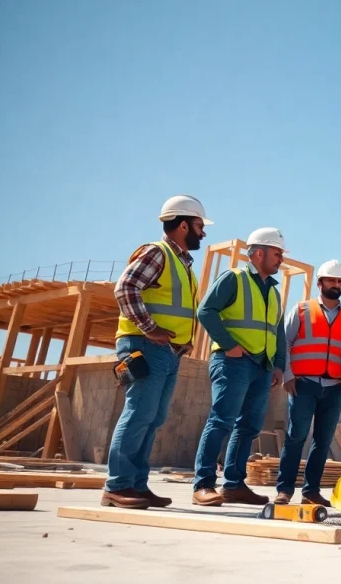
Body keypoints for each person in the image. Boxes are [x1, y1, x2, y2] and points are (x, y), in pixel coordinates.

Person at [102, 195, 211, 509]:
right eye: (199, 226)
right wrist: (149, 327)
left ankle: (136, 484)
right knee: (139, 414)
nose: (202, 233)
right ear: (181, 225)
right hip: (145, 345)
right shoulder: (158, 252)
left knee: (152, 417)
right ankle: (118, 485)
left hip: (166, 351)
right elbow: (125, 288)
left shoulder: (182, 263)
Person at [191, 227, 288, 507]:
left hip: (262, 366)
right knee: (221, 420)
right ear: (259, 253)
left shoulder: (273, 291)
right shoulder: (234, 278)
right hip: (233, 362)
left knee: (249, 427)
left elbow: (277, 330)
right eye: (277, 253)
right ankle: (204, 484)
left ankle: (234, 484)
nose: (280, 258)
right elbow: (206, 311)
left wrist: (278, 364)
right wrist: (229, 344)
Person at [273, 260, 341, 506]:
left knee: (323, 441)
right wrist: (288, 376)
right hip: (304, 384)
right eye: (331, 280)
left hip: (334, 387)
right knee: (296, 436)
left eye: (340, 281)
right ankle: (284, 490)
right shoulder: (301, 309)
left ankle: (311, 491)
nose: (336, 285)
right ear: (320, 283)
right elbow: (285, 343)